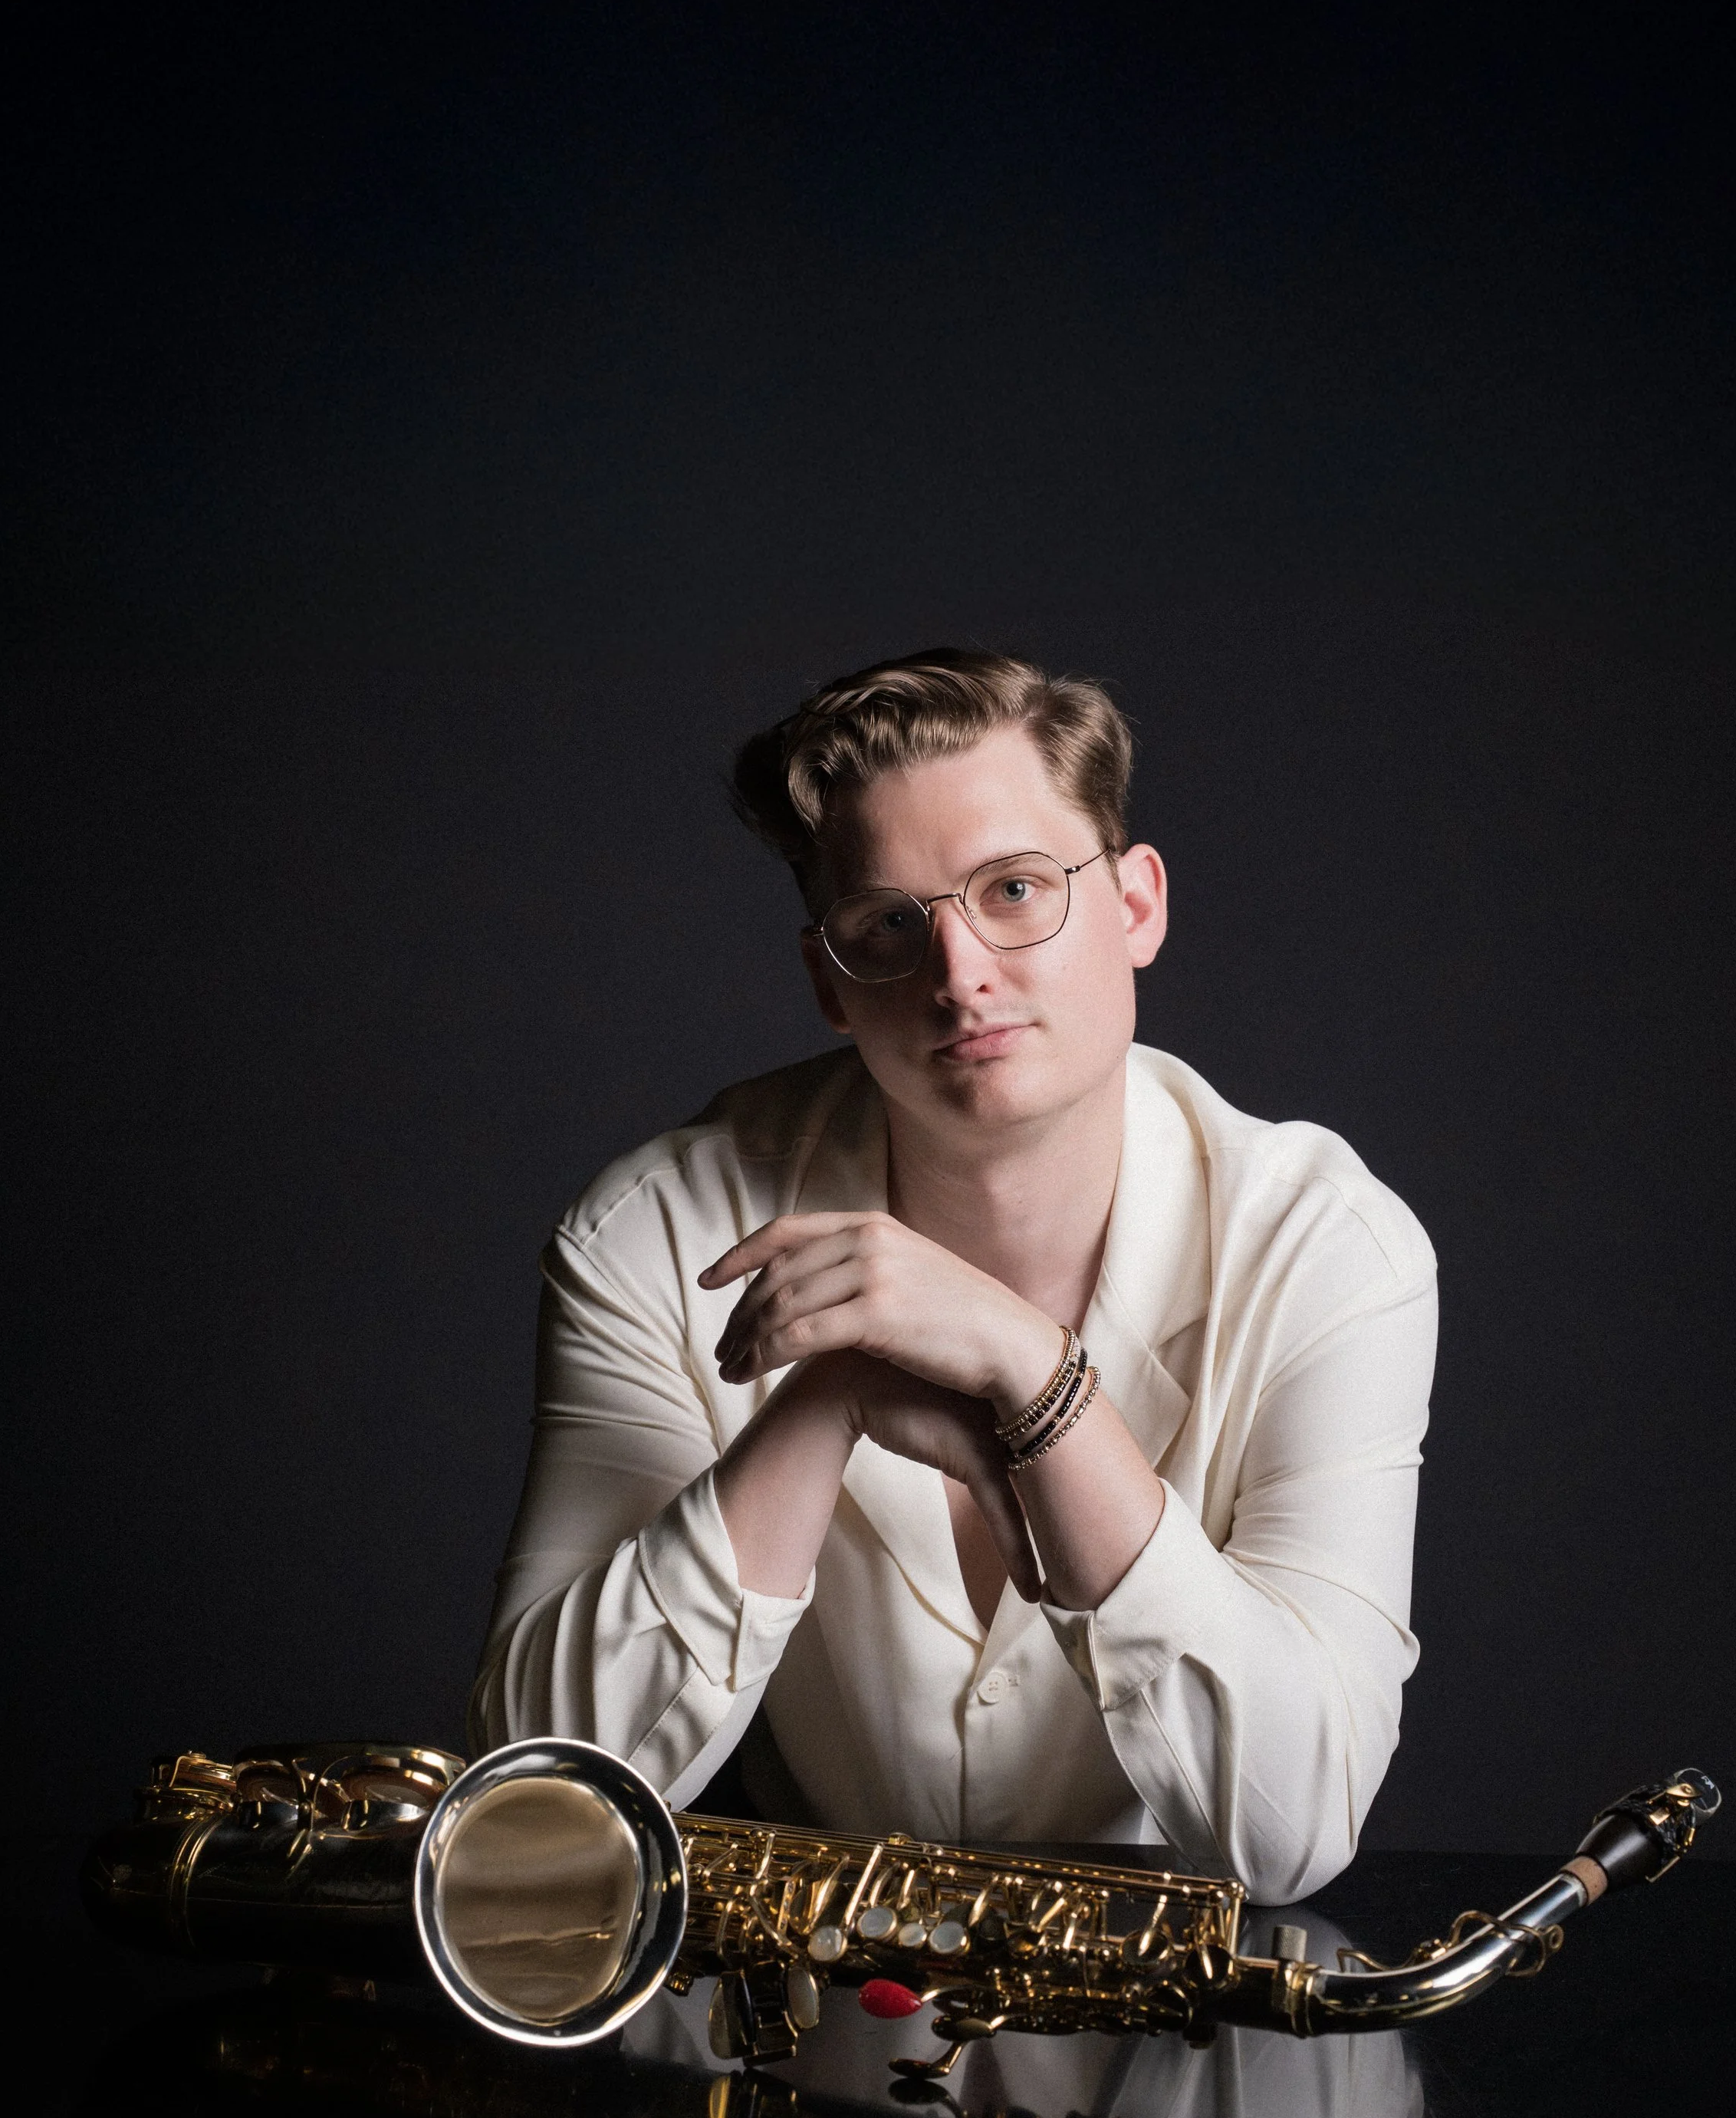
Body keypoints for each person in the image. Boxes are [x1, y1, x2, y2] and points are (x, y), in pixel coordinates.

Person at [469, 649, 1436, 1899]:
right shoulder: (658, 1231)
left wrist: (1034, 1372)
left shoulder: (1326, 1248)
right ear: (829, 979)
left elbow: (1293, 1826)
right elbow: (534, 1802)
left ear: (1136, 905)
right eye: (890, 924)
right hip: (795, 2043)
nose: (960, 973)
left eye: (1018, 888)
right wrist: (820, 1406)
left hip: (1182, 2052)